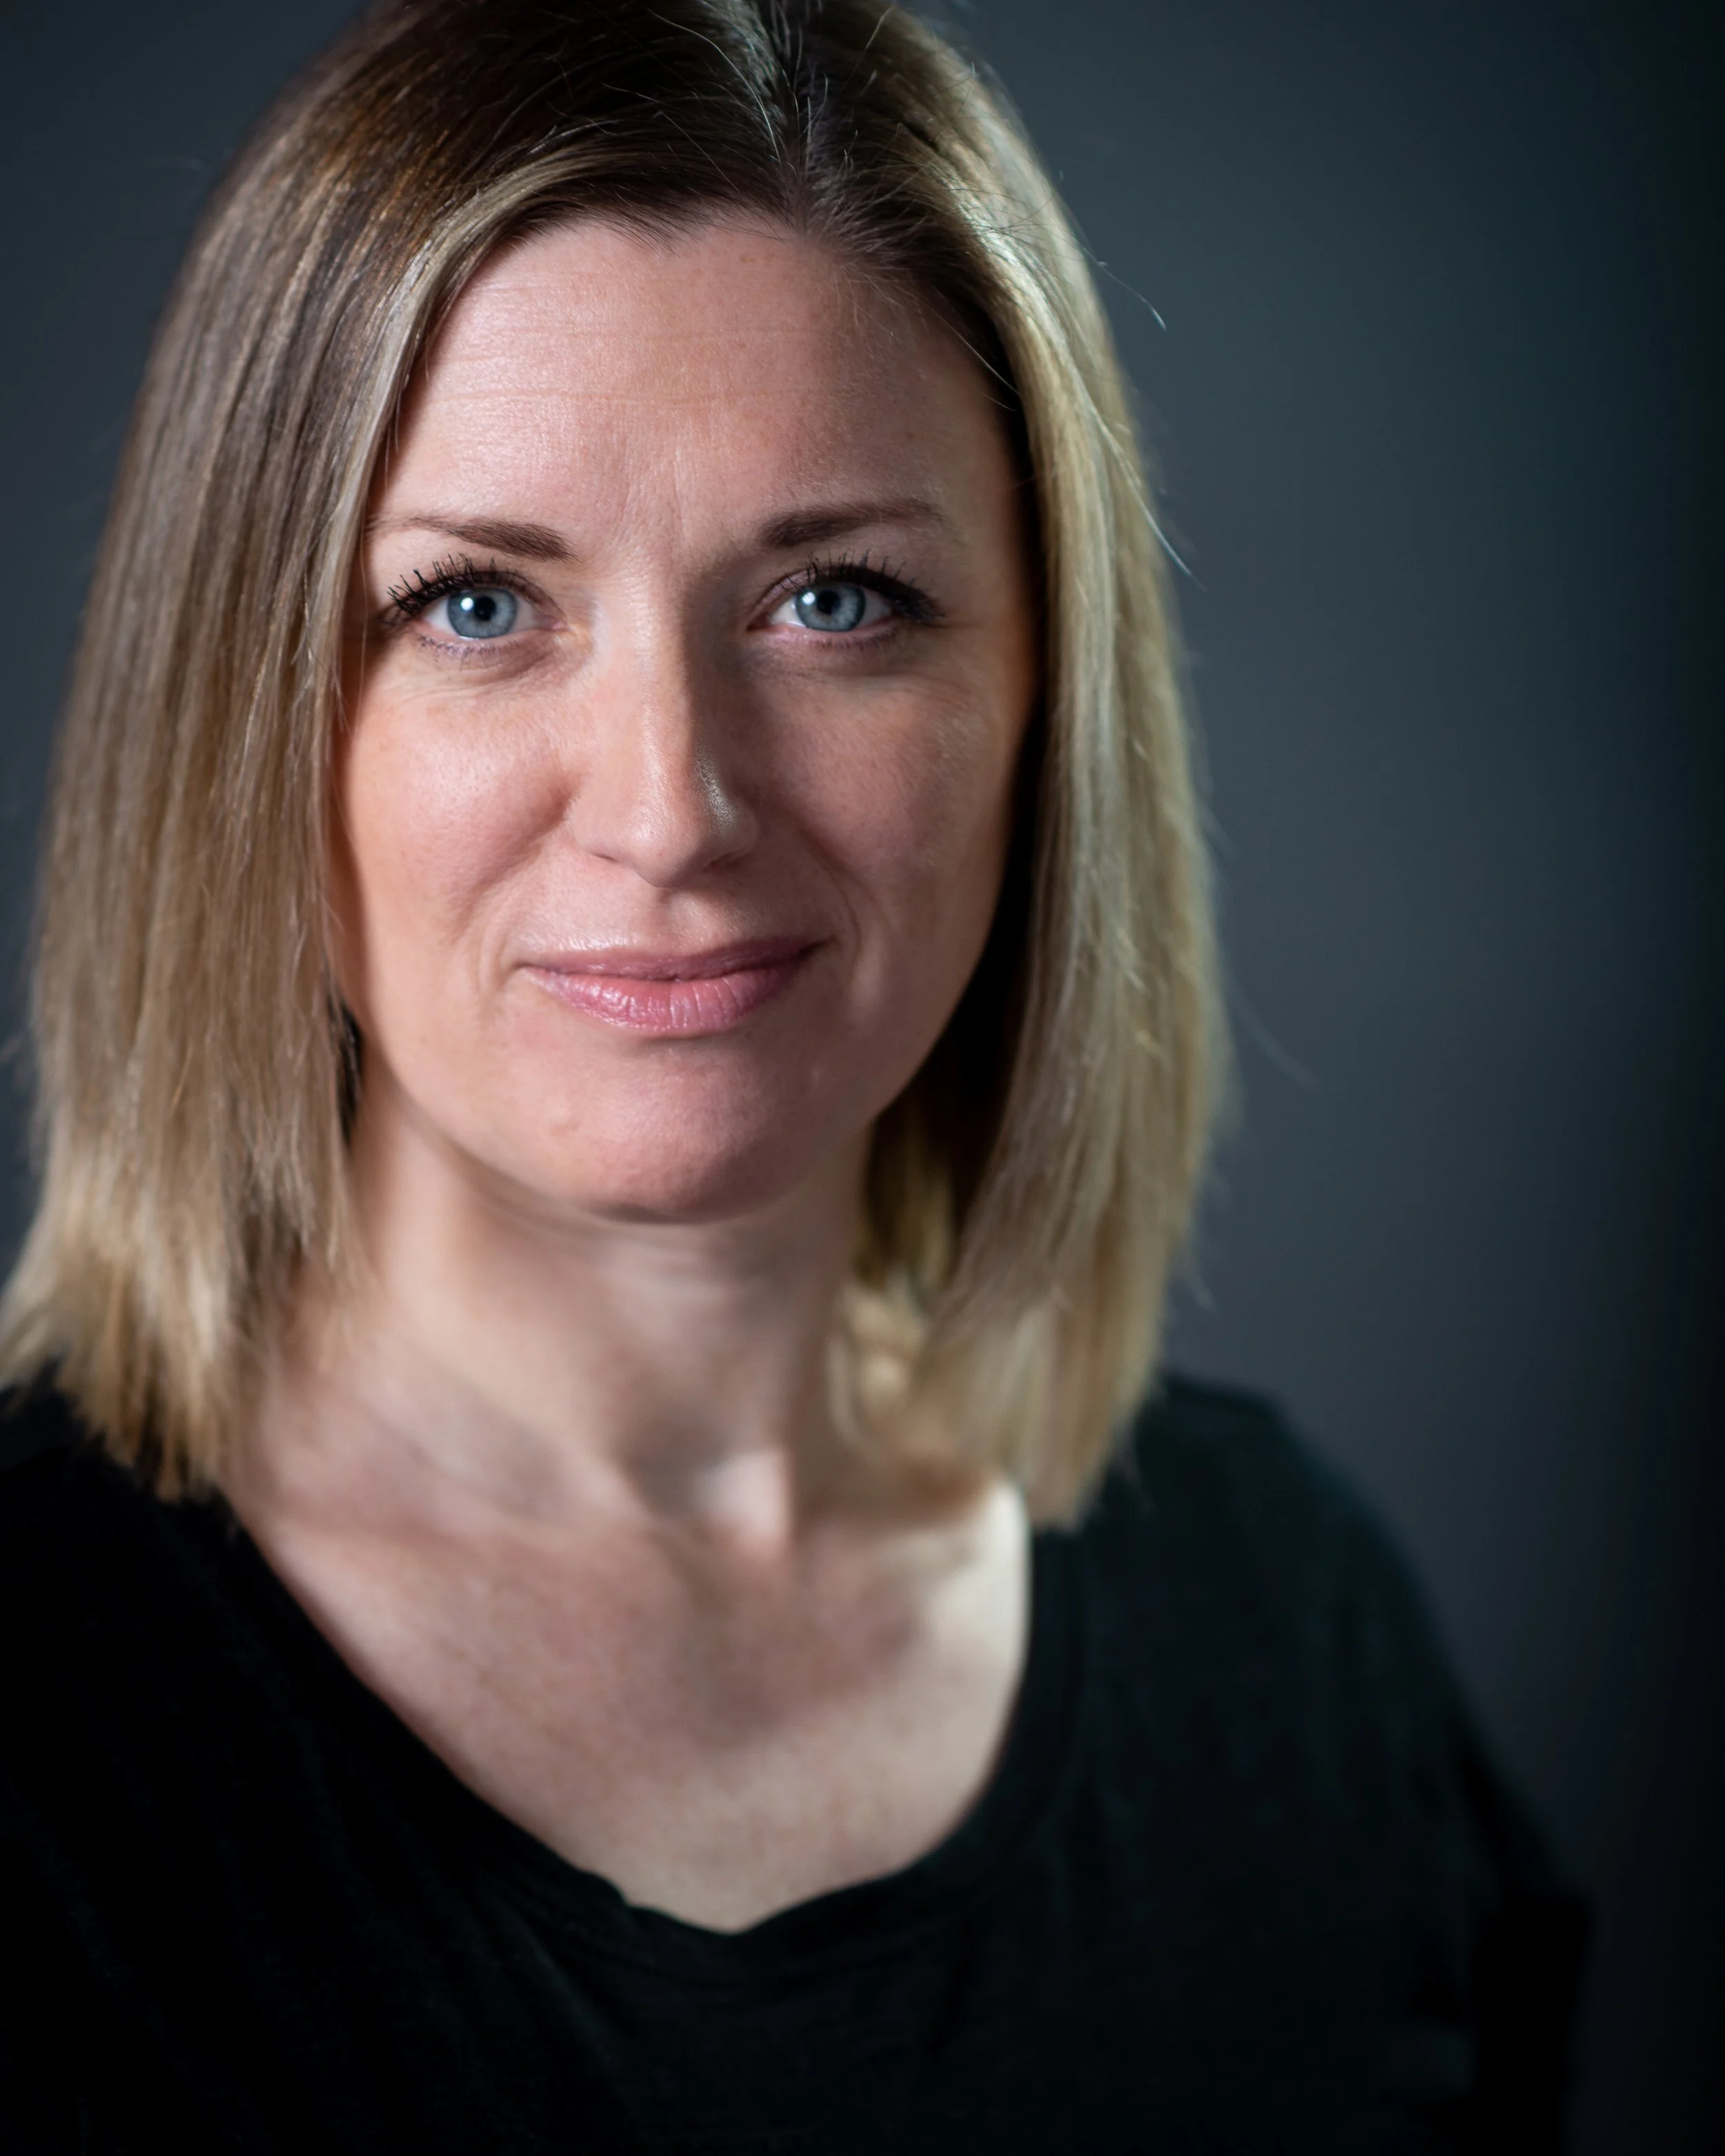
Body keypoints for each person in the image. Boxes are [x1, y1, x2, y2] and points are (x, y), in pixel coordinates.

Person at [0, 1, 1587, 2147]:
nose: (668, 809)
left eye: (835, 598)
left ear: (1046, 698)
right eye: (473, 607)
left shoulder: (1292, 1642)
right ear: (246, 711)